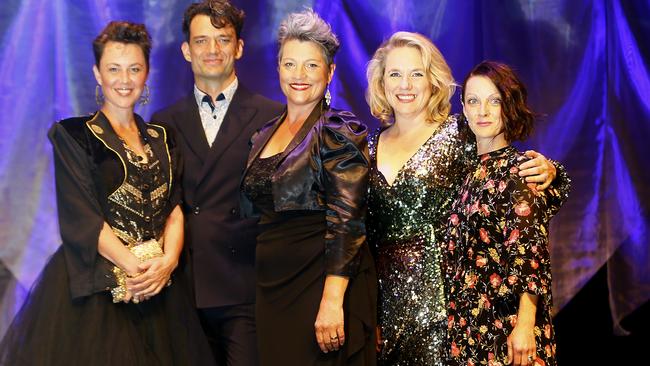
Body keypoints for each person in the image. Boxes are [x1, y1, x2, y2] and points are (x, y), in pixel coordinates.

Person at [0, 21, 214, 365]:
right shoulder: (74, 136)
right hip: (102, 288)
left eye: (134, 69)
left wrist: (168, 263)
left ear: (146, 73)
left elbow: (174, 208)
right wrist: (135, 270)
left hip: (160, 286)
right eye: (113, 69)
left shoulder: (163, 137)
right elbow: (83, 217)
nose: (124, 80)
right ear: (97, 73)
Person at [364, 32, 569, 365]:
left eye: (416, 73)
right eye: (395, 74)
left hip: (450, 306)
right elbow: (362, 232)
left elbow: (512, 174)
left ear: (432, 81)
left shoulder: (461, 132)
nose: (406, 84)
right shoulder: (368, 147)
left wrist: (550, 171)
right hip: (388, 306)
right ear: (381, 82)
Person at [240, 9, 376, 366]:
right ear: (278, 69)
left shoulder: (338, 130)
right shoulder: (262, 134)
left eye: (311, 66)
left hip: (319, 283)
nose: (299, 76)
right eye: (289, 64)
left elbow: (348, 220)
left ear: (330, 73)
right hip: (272, 287)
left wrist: (332, 300)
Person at [151, 1, 282, 365]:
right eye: (202, 41)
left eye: (222, 40)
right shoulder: (163, 122)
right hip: (184, 285)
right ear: (185, 50)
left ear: (239, 47)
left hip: (246, 285)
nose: (212, 51)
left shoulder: (272, 116)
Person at [445, 61, 567, 366]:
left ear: (508, 105)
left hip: (509, 331)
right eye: (473, 101)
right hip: (470, 328)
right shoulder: (467, 173)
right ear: (463, 107)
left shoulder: (520, 170)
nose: (482, 111)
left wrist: (525, 326)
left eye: (494, 100)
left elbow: (531, 256)